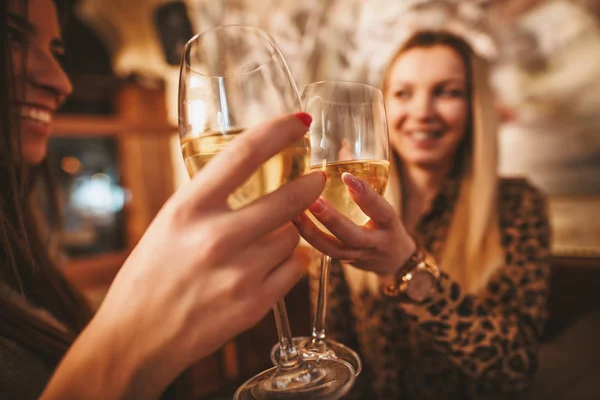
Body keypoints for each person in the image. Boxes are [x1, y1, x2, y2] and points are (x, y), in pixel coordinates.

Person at [0, 0, 325, 398]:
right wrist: (127, 338)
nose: (62, 83)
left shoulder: (22, 258)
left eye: (58, 52)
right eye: (13, 36)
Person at [295, 30, 551, 399]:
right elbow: (334, 357)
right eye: (403, 93)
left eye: (446, 92)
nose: (421, 111)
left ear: (474, 107)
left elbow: (514, 368)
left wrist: (405, 265)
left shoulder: (519, 206)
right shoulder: (344, 201)